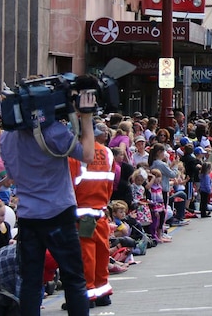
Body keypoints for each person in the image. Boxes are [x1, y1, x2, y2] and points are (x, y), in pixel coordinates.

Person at [0, 85, 98, 316]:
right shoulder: (53, 131)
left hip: (27, 215)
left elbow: (12, 175)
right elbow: (88, 155)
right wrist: (86, 117)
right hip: (58, 212)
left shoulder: (6, 137)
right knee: (73, 276)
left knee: (31, 280)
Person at [67, 123, 115, 308]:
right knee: (102, 252)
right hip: (100, 211)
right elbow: (110, 184)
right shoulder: (108, 153)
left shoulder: (76, 156)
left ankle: (87, 295)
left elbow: (70, 186)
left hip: (81, 213)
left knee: (86, 255)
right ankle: (103, 292)